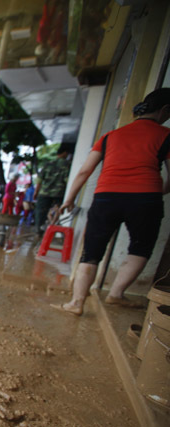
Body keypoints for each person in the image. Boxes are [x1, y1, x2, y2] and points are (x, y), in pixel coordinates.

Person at [53, 88, 170, 316]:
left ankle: (76, 303)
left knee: (92, 251)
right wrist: (158, 192)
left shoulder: (110, 137)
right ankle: (116, 293)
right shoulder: (165, 135)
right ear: (164, 110)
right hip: (145, 198)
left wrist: (69, 199)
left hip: (105, 197)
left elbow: (84, 171)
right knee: (140, 248)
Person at [34, 143, 73, 234]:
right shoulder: (67, 164)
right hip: (59, 194)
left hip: (44, 193)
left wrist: (36, 192)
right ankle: (51, 227)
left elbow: (39, 180)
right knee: (56, 210)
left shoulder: (48, 164)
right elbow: (67, 181)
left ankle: (39, 230)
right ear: (65, 153)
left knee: (40, 212)